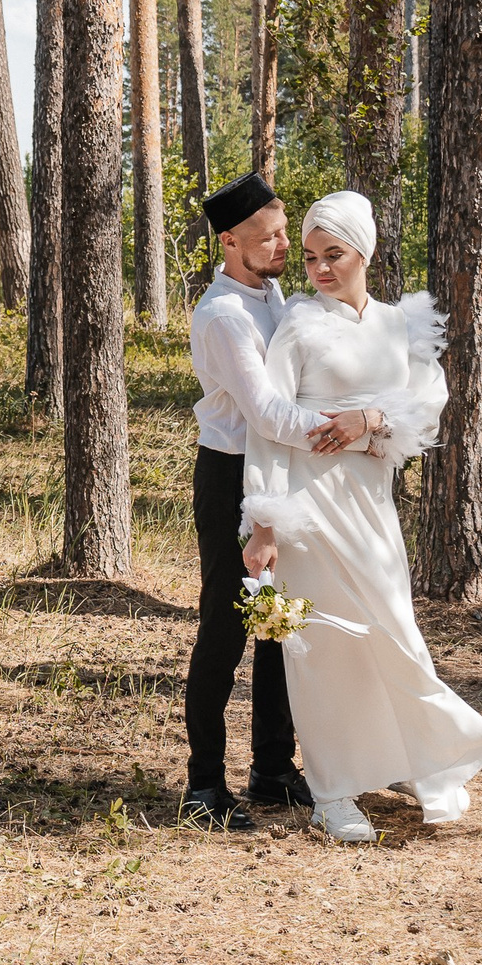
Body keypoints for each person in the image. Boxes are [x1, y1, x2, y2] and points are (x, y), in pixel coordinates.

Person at [244, 190, 482, 843]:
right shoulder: (298, 325)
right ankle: (333, 791)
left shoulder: (398, 325)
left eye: (333, 254)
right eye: (309, 258)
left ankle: (420, 759)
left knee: (395, 635)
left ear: (366, 250)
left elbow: (427, 406)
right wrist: (266, 524)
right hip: (309, 504)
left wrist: (372, 420)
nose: (320, 270)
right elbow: (268, 428)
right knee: (327, 650)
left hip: (372, 502)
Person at [178, 174, 373, 830]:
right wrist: (341, 429)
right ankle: (203, 786)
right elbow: (264, 413)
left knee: (280, 626)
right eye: (268, 238)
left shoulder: (272, 294)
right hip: (231, 478)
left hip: (279, 477)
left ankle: (271, 767)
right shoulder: (224, 314)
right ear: (229, 242)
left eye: (285, 232)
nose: (285, 245)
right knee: (227, 628)